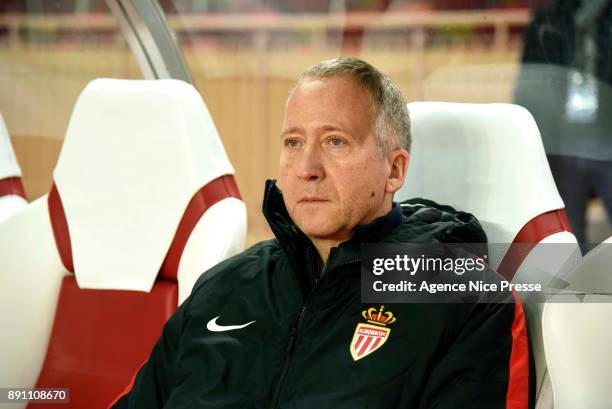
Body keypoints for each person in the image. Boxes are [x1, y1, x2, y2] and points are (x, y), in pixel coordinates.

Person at [111, 58, 529, 409]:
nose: (306, 167)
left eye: (335, 141)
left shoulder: (465, 301)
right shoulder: (223, 286)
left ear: (395, 170)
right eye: (293, 142)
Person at [514, 0, 612, 245]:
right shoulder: (551, 18)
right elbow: (529, 84)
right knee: (567, 238)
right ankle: (575, 282)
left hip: (605, 138)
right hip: (563, 143)